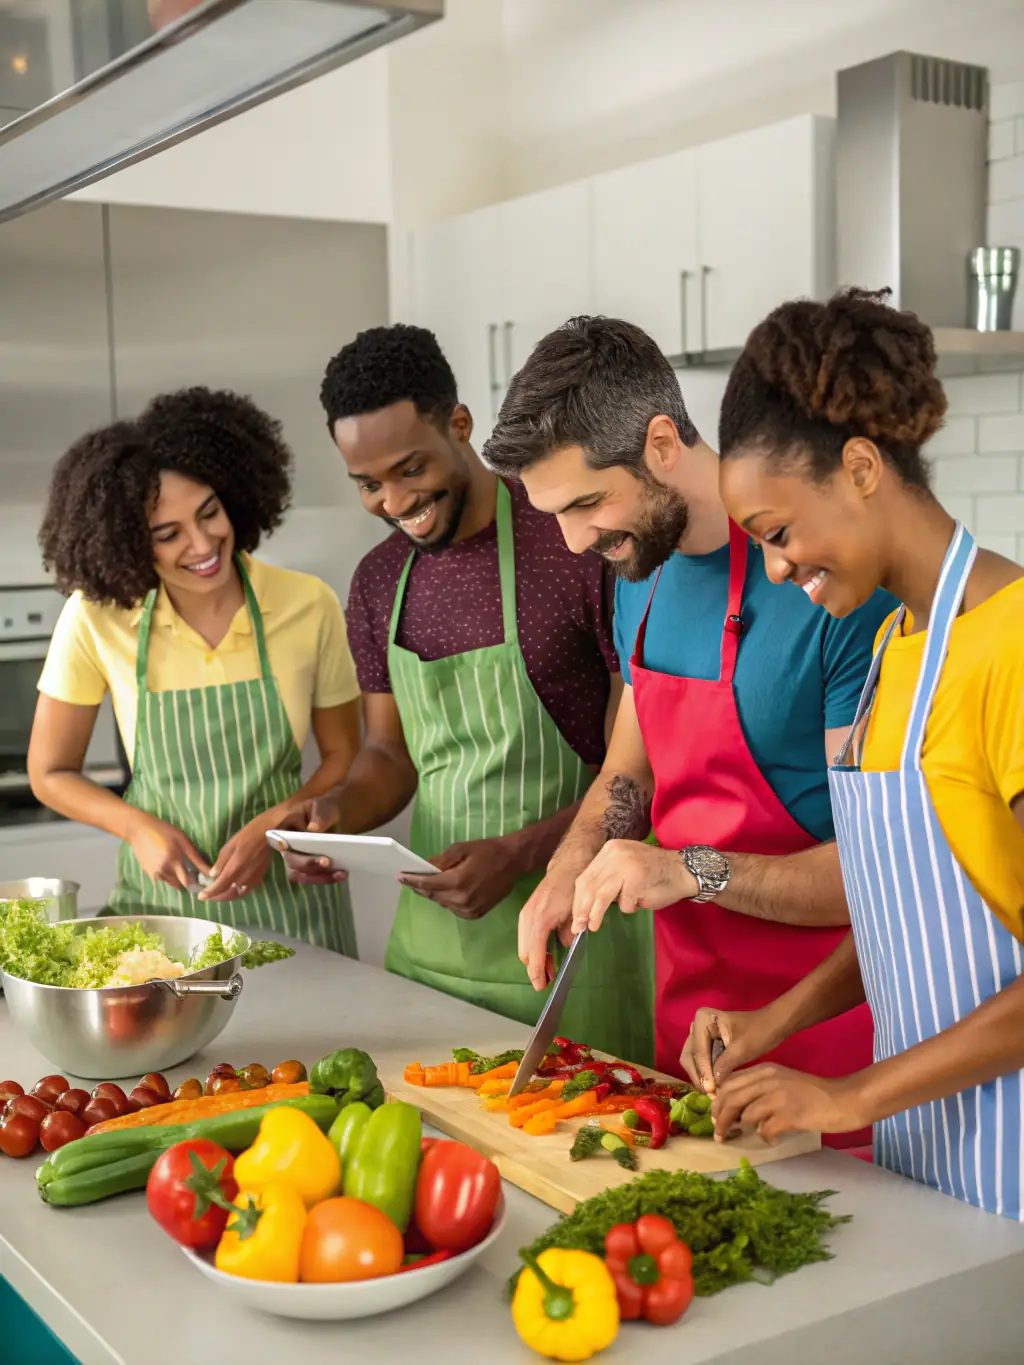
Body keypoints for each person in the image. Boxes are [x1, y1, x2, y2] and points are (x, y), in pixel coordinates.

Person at [483, 315, 896, 1147]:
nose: (574, 541)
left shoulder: (829, 583)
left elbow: (874, 874)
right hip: (693, 1035)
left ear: (663, 441)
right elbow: (628, 771)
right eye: (555, 513)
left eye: (588, 502)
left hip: (829, 1045)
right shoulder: (639, 568)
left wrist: (685, 869)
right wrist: (570, 864)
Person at [684, 288, 1024, 1216]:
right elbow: (900, 919)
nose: (781, 568)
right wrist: (774, 1023)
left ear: (863, 467)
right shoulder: (887, 652)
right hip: (926, 1154)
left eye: (780, 533)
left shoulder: (1013, 647)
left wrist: (847, 1096)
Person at [282, 323, 651, 1061]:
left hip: (578, 942)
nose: (393, 501)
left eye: (409, 468)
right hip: (426, 961)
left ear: (460, 425)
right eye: (368, 484)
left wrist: (520, 854)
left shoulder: (573, 542)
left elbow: (638, 767)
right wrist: (334, 815)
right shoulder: (379, 582)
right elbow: (389, 753)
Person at [29, 387, 361, 953]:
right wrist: (136, 827)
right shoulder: (96, 618)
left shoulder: (308, 603)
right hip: (163, 916)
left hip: (296, 905)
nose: (204, 543)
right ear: (132, 544)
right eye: (169, 534)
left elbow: (346, 758)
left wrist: (275, 826)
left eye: (209, 513)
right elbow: (51, 772)